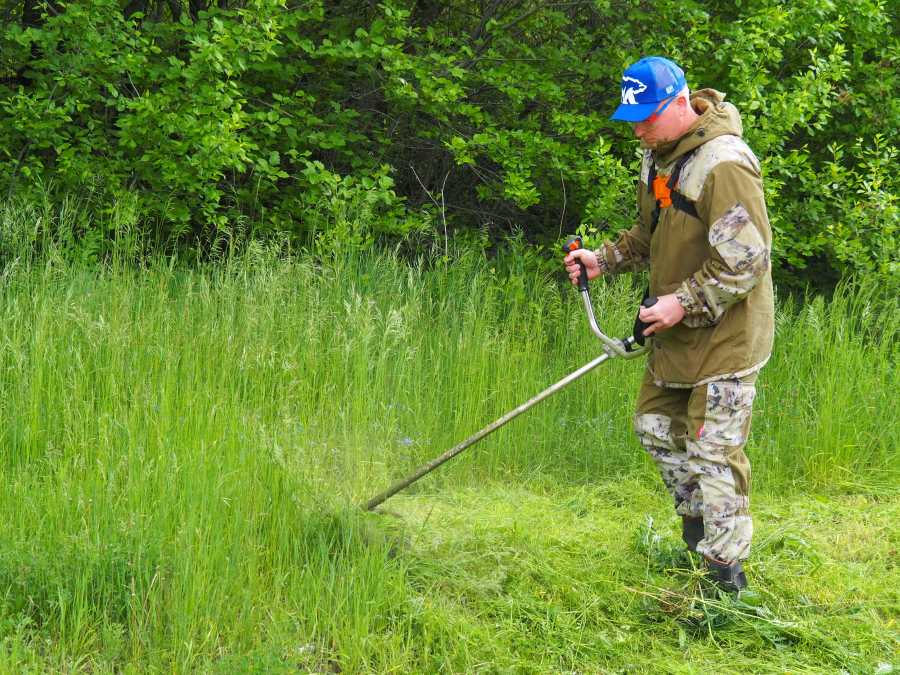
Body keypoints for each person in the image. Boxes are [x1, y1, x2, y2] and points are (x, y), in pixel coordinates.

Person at [564, 56, 774, 592]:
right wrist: (603, 259)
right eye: (631, 118)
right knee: (656, 429)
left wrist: (682, 302)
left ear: (680, 103)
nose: (638, 129)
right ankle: (697, 540)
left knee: (712, 450)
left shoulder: (724, 164)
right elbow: (649, 234)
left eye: (647, 117)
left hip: (726, 335)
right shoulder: (660, 158)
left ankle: (725, 584)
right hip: (677, 333)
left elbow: (746, 262)